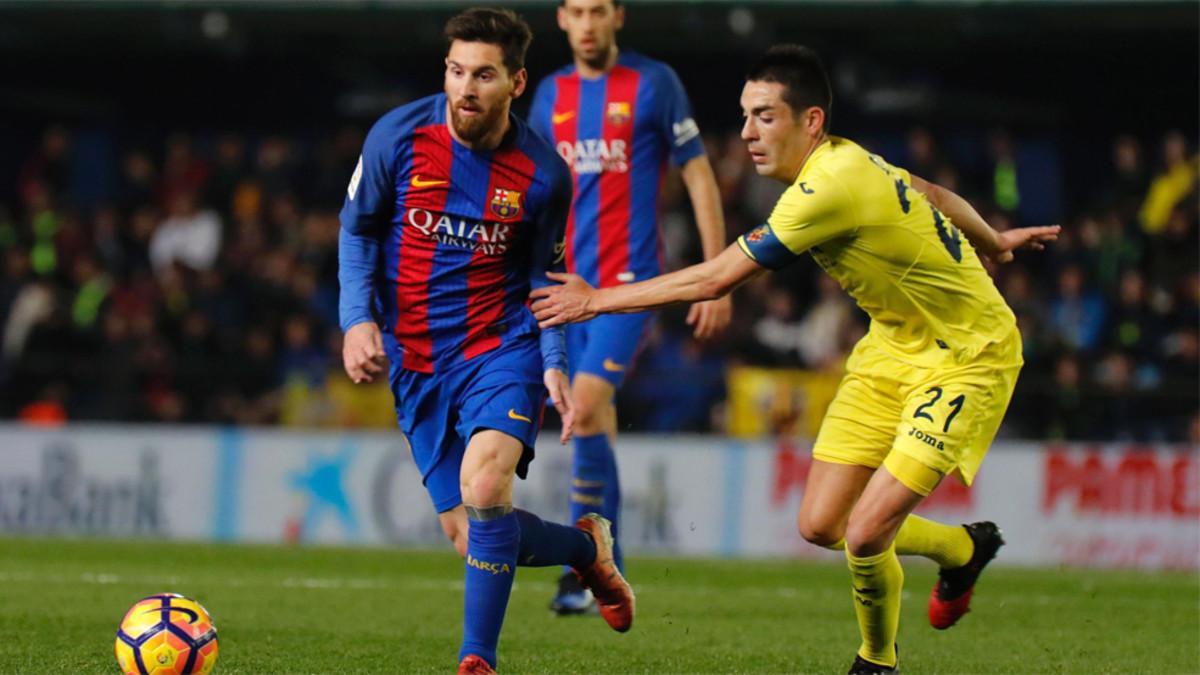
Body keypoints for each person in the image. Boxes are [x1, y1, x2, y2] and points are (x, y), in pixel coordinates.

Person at [531, 44, 1060, 674]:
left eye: (765, 117)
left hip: (969, 356)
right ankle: (961, 548)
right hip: (891, 348)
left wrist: (596, 303)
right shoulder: (850, 159)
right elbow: (930, 191)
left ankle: (876, 661)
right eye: (745, 116)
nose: (748, 133)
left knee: (864, 534)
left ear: (810, 121)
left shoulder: (825, 188)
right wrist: (993, 240)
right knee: (821, 524)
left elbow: (716, 279)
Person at [337, 9, 634, 674]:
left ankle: (478, 658)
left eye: (484, 75)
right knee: (471, 534)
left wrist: (554, 360)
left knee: (486, 479)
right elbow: (356, 230)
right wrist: (357, 318)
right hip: (415, 361)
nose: (465, 87)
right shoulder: (396, 137)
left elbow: (545, 274)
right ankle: (586, 550)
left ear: (516, 83)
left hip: (500, 348)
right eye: (456, 71)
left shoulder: (543, 174)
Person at [527, 0, 732, 614]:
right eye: (576, 12)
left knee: (584, 409)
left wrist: (717, 274)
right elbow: (533, 186)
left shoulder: (654, 83)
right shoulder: (549, 94)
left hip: (625, 288)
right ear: (561, 19)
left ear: (618, 16)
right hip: (562, 288)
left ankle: (579, 566)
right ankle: (604, 566)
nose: (587, 23)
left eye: (598, 11)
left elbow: (698, 175)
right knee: (593, 421)